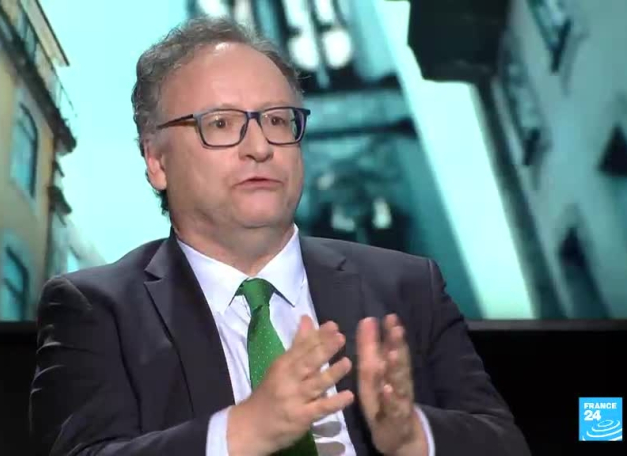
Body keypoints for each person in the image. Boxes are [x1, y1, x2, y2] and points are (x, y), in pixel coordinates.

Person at [28, 16, 531, 456]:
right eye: (220, 123)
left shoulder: (410, 286)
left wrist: (412, 438)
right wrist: (245, 431)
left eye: (276, 119)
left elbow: (505, 444)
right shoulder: (96, 309)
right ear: (157, 162)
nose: (260, 146)